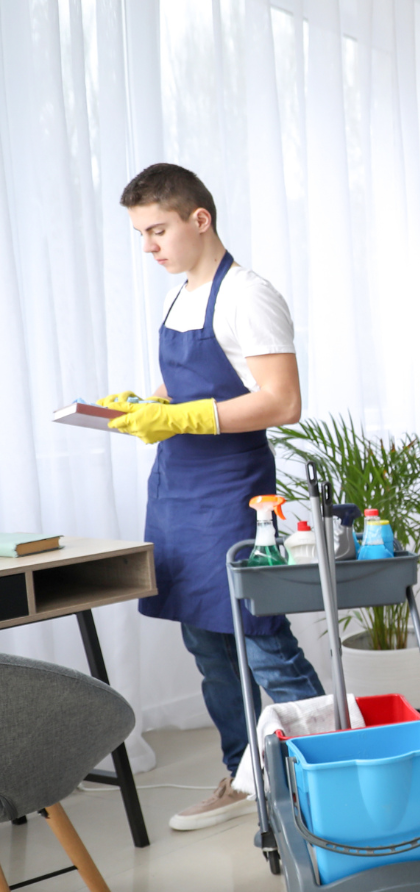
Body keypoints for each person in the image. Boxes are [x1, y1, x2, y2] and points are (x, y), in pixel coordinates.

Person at [106, 163, 324, 831]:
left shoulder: (247, 295)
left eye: (157, 229)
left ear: (200, 219)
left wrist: (184, 416)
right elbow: (193, 383)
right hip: (178, 488)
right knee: (206, 640)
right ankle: (244, 773)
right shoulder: (181, 294)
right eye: (140, 233)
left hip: (232, 491)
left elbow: (281, 401)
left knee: (260, 638)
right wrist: (150, 404)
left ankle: (334, 772)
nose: (149, 246)